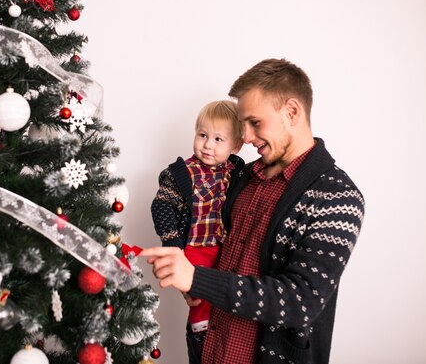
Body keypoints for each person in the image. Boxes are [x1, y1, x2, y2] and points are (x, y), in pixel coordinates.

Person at [141, 58, 364, 364]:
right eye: (243, 124)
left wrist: (196, 278)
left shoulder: (338, 196)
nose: (244, 137)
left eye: (254, 123)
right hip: (207, 347)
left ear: (292, 112)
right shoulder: (240, 176)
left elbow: (300, 301)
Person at [151, 100, 244, 363]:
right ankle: (200, 331)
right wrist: (172, 245)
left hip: (222, 246)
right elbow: (162, 206)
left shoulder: (236, 172)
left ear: (235, 146)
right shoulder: (182, 173)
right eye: (202, 135)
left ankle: (215, 333)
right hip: (194, 246)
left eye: (218, 139)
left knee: (223, 294)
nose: (207, 145)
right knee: (198, 291)